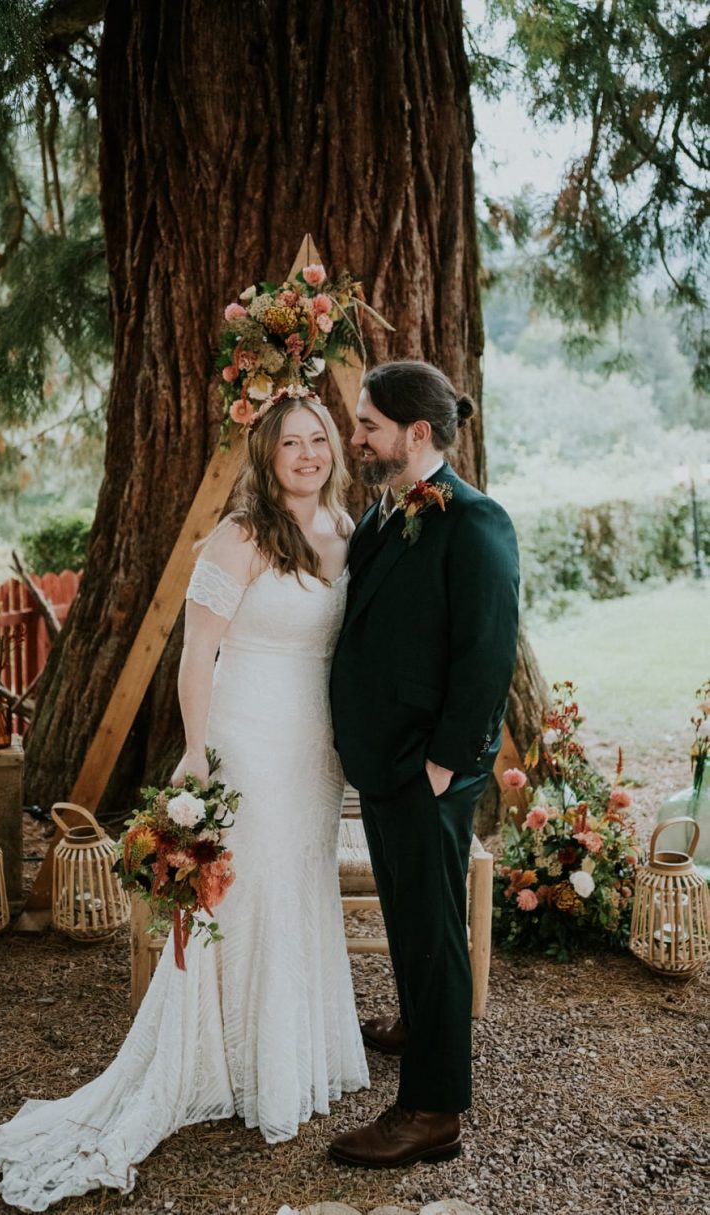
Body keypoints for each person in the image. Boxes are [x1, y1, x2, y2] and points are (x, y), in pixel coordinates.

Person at [0, 386, 368, 1211]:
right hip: (248, 737)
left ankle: (292, 1057)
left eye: (318, 439)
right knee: (245, 892)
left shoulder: (344, 530)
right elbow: (196, 652)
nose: (307, 454)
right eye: (291, 442)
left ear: (333, 446)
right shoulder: (241, 534)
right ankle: (227, 1063)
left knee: (298, 884)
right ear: (267, 453)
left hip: (316, 747)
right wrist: (194, 751)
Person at [329, 359, 520, 1168]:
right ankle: (416, 1019)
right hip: (383, 759)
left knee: (435, 929)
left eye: (368, 424)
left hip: (428, 769)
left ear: (415, 431)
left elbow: (486, 655)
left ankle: (432, 1108)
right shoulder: (384, 510)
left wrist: (444, 764)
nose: (356, 436)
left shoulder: (477, 522)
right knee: (409, 910)